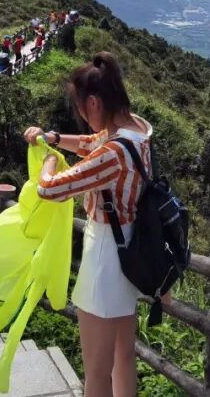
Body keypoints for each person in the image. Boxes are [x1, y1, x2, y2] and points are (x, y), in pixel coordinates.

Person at [23, 51, 160, 397]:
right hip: (129, 250)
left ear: (94, 102)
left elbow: (50, 189)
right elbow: (91, 143)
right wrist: (54, 138)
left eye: (82, 109)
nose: (83, 117)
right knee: (123, 356)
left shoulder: (113, 154)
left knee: (96, 373)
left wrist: (49, 161)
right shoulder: (137, 129)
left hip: (105, 258)